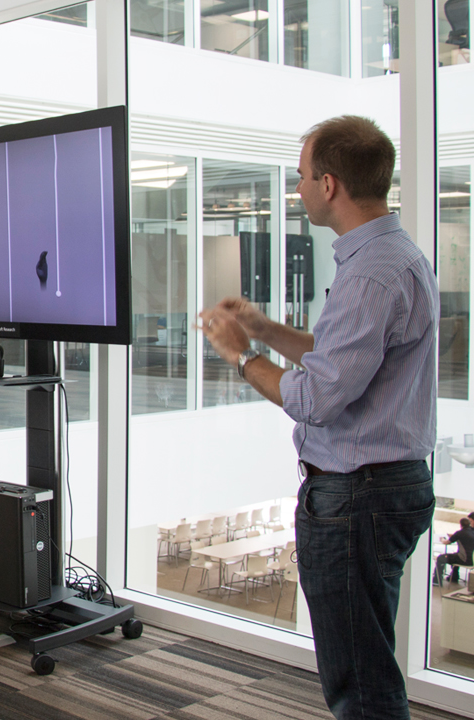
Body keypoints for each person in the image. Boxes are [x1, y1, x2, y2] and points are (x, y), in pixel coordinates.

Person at [196, 115, 437, 719]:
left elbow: (317, 399)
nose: (297, 190)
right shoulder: (387, 257)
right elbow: (342, 361)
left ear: (330, 184)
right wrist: (265, 328)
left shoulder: (373, 274)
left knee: (360, 683)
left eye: (302, 177)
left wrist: (240, 354)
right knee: (367, 663)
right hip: (379, 488)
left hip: (359, 496)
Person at [436, 515, 474, 586]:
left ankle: (437, 580)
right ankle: (454, 577)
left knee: (441, 558)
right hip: (472, 561)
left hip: (464, 560)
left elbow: (446, 542)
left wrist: (442, 539)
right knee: (455, 555)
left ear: (460, 525)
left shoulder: (459, 533)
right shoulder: (472, 532)